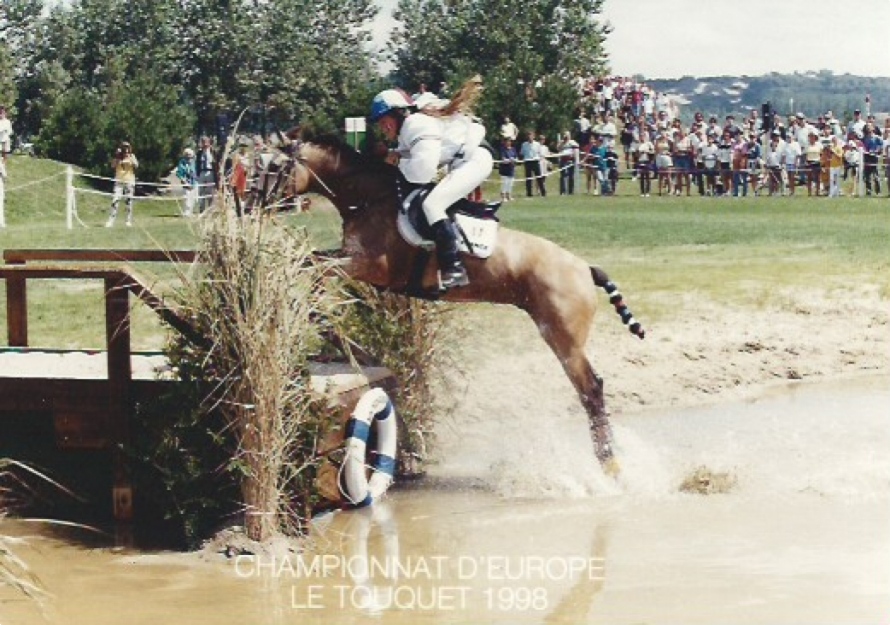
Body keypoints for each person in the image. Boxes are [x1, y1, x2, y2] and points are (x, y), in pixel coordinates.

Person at [369, 79, 492, 290]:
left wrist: (397, 161)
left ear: (398, 114)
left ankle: (454, 268)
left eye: (383, 121)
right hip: (465, 160)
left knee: (432, 204)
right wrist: (394, 155)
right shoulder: (408, 128)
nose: (383, 128)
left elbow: (422, 173)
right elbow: (410, 157)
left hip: (475, 161)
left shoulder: (415, 125)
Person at [106, 141, 138, 227]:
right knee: (115, 200)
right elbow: (112, 166)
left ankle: (128, 220)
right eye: (124, 147)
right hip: (119, 181)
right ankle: (111, 220)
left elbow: (136, 165)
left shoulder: (132, 156)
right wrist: (117, 157)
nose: (125, 149)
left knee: (128, 201)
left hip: (129, 181)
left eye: (127, 147)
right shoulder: (118, 157)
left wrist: (129, 159)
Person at [520, 130, 545, 197]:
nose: (530, 137)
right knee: (528, 178)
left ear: (534, 136)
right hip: (528, 162)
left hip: (535, 161)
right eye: (528, 135)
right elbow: (522, 153)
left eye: (531, 135)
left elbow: (540, 153)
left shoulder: (537, 144)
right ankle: (529, 193)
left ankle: (543, 192)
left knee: (539, 178)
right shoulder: (524, 144)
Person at [196, 136, 216, 213]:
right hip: (202, 172)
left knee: (210, 191)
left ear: (209, 143)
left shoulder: (212, 151)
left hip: (210, 172)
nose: (204, 144)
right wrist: (197, 174)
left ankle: (210, 209)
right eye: (203, 142)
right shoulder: (199, 153)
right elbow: (197, 163)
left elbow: (216, 162)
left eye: (206, 142)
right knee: (201, 191)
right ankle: (202, 209)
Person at [175, 147, 197, 217]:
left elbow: (195, 171)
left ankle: (191, 212)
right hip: (186, 182)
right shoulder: (182, 162)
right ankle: (186, 212)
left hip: (193, 182)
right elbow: (178, 173)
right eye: (187, 154)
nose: (189, 156)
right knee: (186, 197)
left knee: (193, 197)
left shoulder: (193, 162)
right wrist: (183, 179)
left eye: (190, 155)